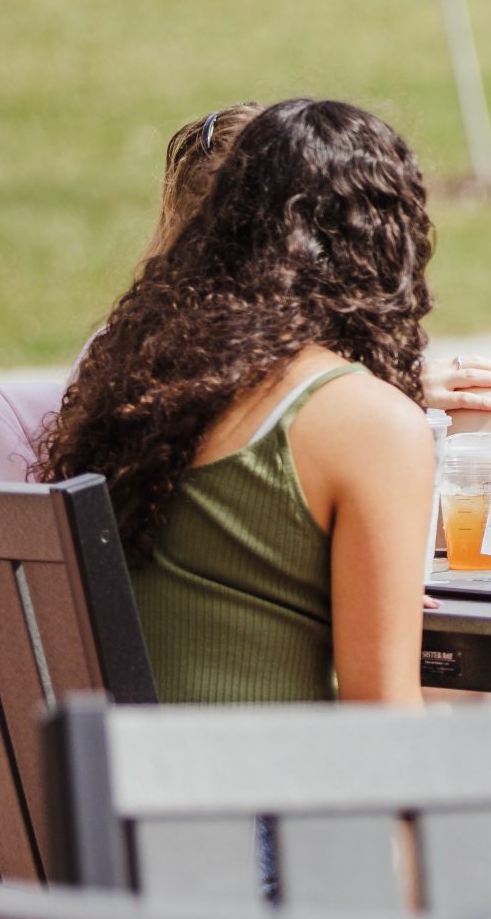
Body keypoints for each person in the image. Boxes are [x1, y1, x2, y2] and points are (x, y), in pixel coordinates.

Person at [0, 102, 491, 542]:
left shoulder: (120, 362)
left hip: (134, 679)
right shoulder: (316, 411)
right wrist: (377, 398)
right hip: (269, 685)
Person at [35, 100, 442, 706]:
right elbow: (382, 725)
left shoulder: (134, 380)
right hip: (256, 791)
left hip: (102, 788)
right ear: (386, 243)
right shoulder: (371, 423)